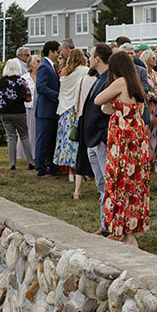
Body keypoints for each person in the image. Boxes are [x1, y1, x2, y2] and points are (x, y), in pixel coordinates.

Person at [95, 51, 152, 247]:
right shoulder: (136, 84)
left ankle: (123, 230)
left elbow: (98, 100)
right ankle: (129, 234)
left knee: (119, 183)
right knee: (134, 186)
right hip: (137, 141)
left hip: (123, 141)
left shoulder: (120, 83)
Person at [76, 43, 116, 229]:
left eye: (91, 55)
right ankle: (104, 225)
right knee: (101, 184)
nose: (89, 58)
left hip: (100, 137)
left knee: (106, 184)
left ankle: (107, 225)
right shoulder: (99, 78)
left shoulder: (109, 79)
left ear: (98, 58)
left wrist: (101, 135)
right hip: (92, 138)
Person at [57, 48, 89, 196]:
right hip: (77, 109)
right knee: (77, 140)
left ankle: (70, 171)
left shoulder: (64, 72)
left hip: (64, 110)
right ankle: (80, 171)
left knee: (67, 140)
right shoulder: (85, 71)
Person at [0, 59, 33, 170]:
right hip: (19, 112)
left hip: (5, 112)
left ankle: (12, 164)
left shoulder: (1, 81)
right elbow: (28, 98)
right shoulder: (21, 81)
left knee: (11, 137)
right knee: (24, 136)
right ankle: (30, 162)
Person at [33, 40, 63, 178]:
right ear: (51, 52)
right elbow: (41, 87)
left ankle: (50, 165)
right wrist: (57, 96)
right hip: (45, 110)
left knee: (50, 140)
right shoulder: (44, 66)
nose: (59, 54)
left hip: (51, 110)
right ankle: (41, 168)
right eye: (58, 51)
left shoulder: (49, 66)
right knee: (43, 140)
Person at [139, 49, 157, 170]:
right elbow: (142, 91)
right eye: (153, 58)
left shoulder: (156, 74)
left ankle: (153, 163)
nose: (155, 60)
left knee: (156, 135)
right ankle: (144, 162)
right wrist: (155, 97)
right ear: (147, 60)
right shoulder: (143, 74)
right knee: (146, 134)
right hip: (148, 107)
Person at [18, 46, 38, 166]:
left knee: (36, 131)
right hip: (27, 107)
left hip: (38, 107)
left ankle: (35, 154)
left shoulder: (41, 77)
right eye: (37, 61)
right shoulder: (24, 78)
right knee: (26, 131)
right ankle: (24, 154)